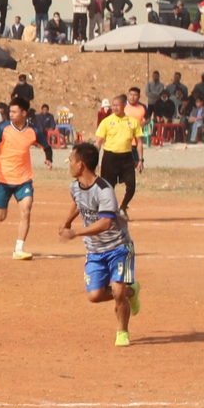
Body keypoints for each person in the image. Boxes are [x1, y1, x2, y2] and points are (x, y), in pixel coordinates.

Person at [59, 141, 139, 347]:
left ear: (81, 165)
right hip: (95, 250)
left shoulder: (104, 190)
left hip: (118, 247)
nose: (69, 164)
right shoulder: (74, 187)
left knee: (118, 292)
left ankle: (122, 331)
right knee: (94, 296)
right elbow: (79, 203)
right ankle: (132, 291)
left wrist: (76, 232)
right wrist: (67, 221)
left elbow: (105, 222)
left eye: (72, 160)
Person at [0, 99, 52, 258]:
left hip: (24, 179)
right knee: (0, 216)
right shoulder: (3, 128)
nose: (10, 114)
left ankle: (19, 248)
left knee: (26, 210)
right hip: (3, 179)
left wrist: (49, 158)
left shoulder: (33, 131)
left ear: (24, 113)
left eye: (14, 112)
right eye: (10, 112)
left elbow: (46, 146)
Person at [94, 93, 142, 211]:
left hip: (126, 157)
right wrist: (94, 160)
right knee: (107, 187)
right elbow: (99, 142)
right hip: (110, 157)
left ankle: (123, 206)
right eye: (113, 105)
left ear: (124, 105)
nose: (115, 107)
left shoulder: (133, 122)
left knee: (131, 185)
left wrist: (140, 159)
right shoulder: (106, 121)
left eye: (117, 105)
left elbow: (139, 142)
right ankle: (108, 209)